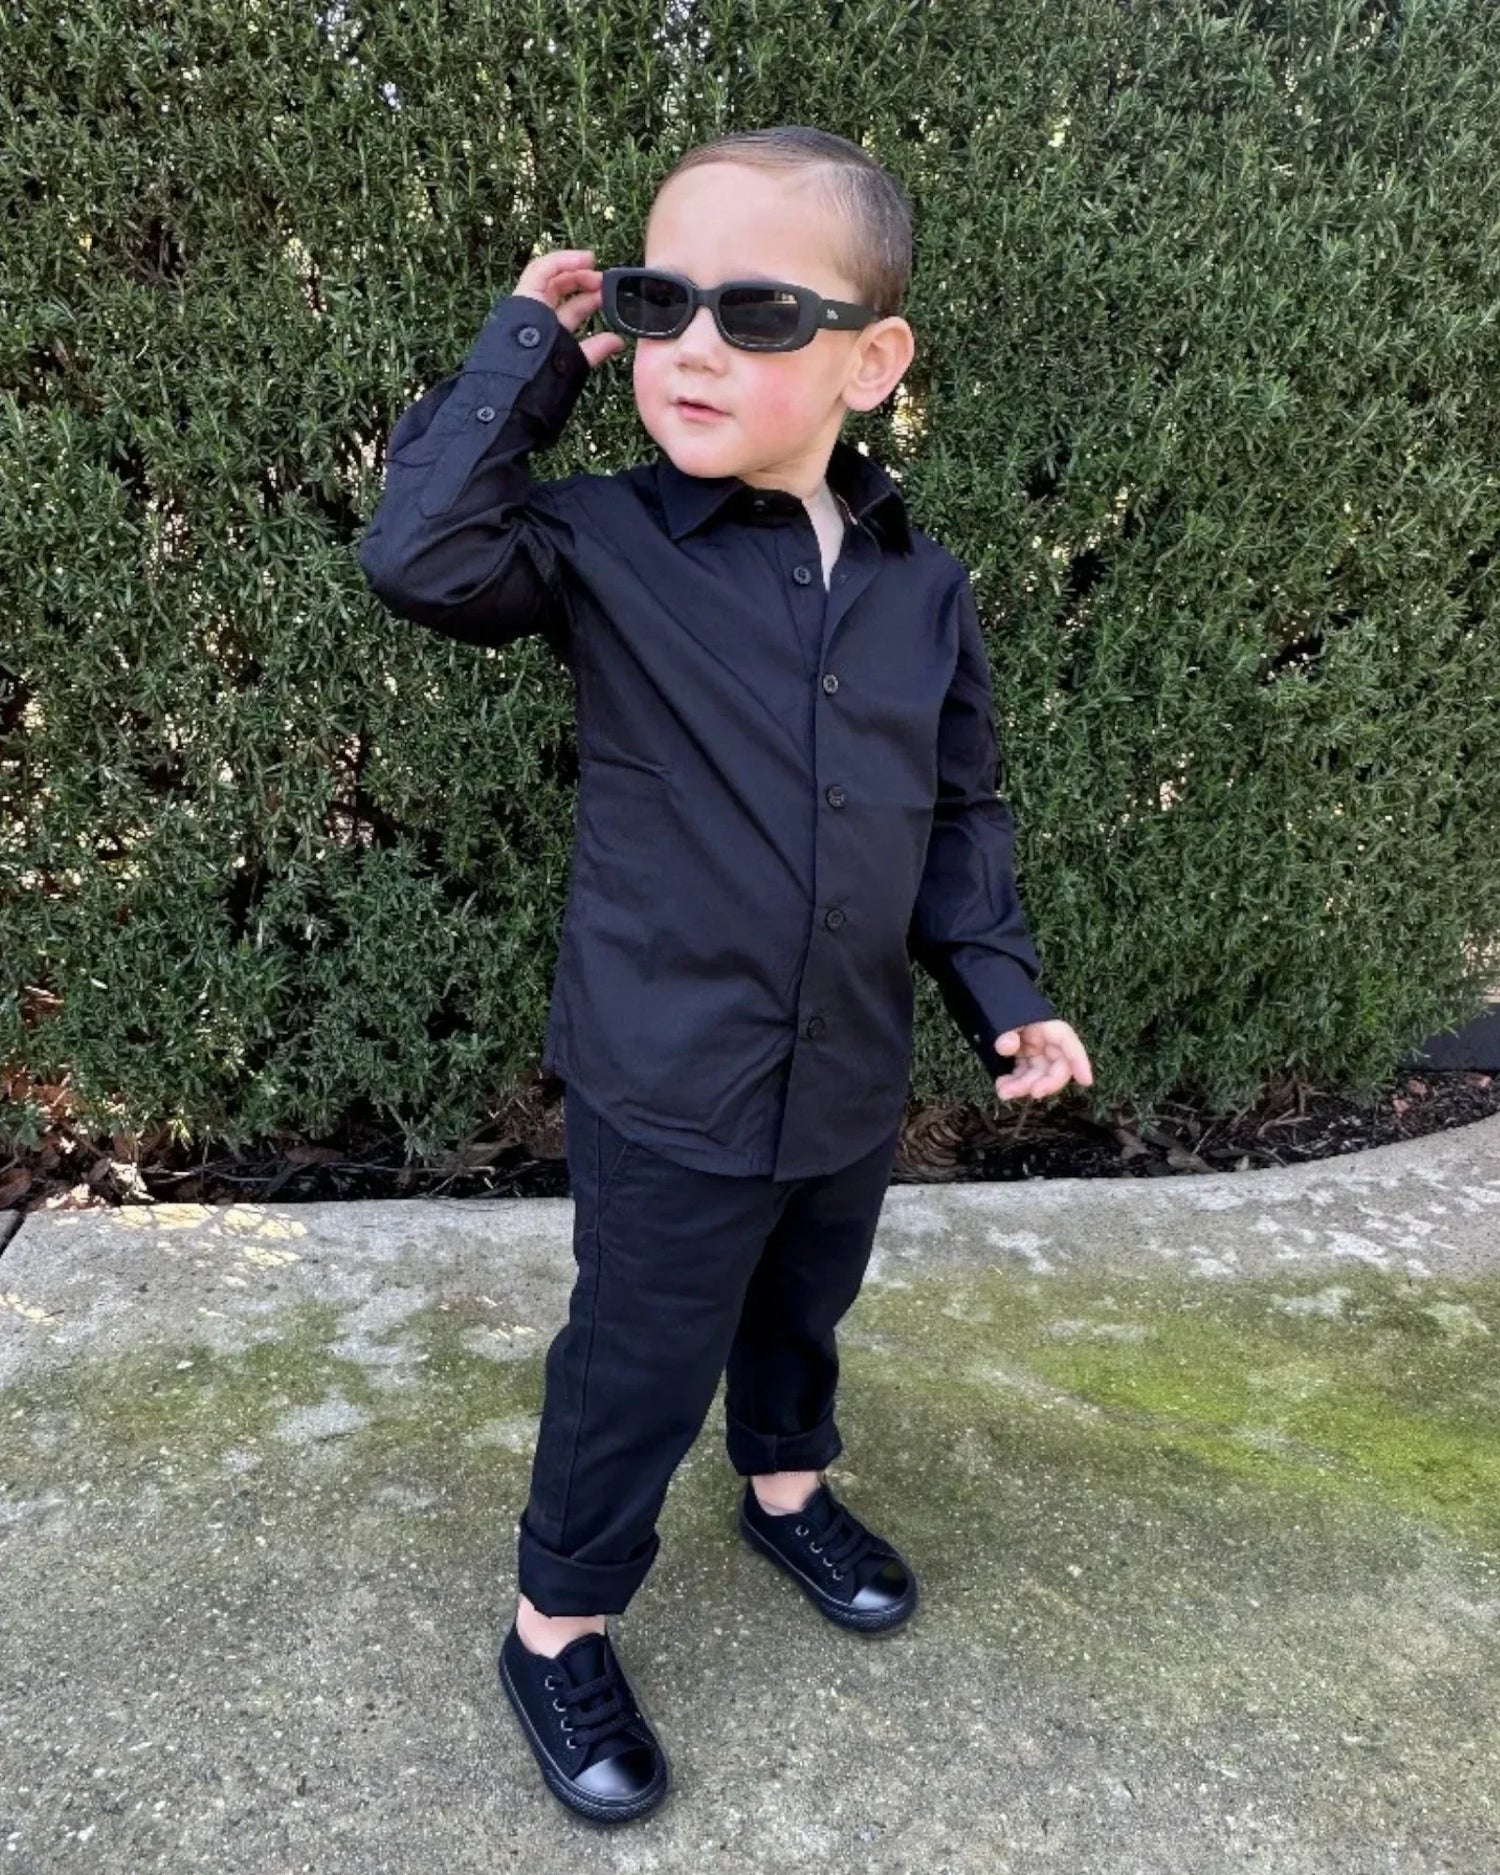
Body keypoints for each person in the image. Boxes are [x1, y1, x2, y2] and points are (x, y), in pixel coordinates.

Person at [356, 123, 1094, 1825]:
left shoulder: (922, 586)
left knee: (800, 1310)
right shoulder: (603, 544)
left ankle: (784, 1490)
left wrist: (1006, 990)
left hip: (846, 1063)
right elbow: (419, 556)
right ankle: (556, 1629)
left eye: (756, 312)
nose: (692, 345)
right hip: (669, 1069)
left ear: (871, 360)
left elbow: (959, 808)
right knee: (639, 1355)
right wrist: (530, 351)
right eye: (657, 300)